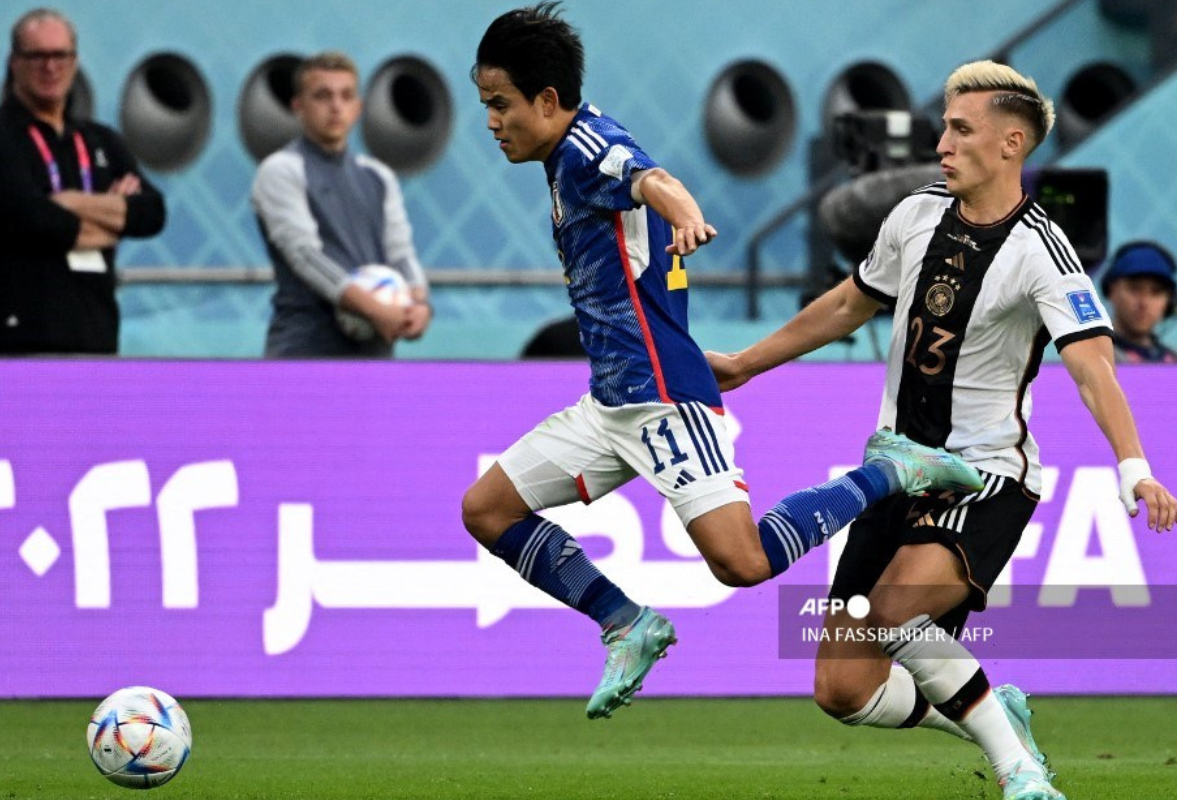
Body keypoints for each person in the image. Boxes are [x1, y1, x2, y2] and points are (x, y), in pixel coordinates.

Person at [461, 2, 984, 722]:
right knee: (486, 509)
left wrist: (683, 212)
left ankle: (895, 471)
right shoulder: (564, 153)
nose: (490, 120)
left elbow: (651, 179)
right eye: (485, 103)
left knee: (742, 563)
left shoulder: (588, 149)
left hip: (665, 402)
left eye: (499, 104)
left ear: (547, 101)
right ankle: (627, 623)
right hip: (611, 401)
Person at [708, 61, 1176, 800]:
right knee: (842, 688)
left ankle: (1021, 774)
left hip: (984, 475)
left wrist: (1132, 467)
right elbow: (846, 305)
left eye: (961, 131)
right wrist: (746, 363)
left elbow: (1093, 367)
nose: (944, 146)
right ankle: (993, 712)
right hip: (896, 467)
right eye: (944, 130)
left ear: (1011, 143)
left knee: (894, 614)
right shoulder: (915, 213)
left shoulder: (1046, 254)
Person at [0, 8, 165, 355]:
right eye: (37, 56)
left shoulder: (101, 139)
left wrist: (68, 202)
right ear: (14, 62)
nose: (50, 67)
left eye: (60, 55)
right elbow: (34, 218)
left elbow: (152, 213)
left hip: (96, 332)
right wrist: (114, 219)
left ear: (75, 61)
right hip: (20, 337)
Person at [251, 51, 431, 358]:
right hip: (304, 351)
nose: (336, 106)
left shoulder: (379, 176)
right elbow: (305, 256)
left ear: (358, 107)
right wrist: (374, 309)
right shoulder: (280, 170)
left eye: (346, 96)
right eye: (323, 96)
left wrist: (418, 305)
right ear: (299, 107)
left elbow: (401, 252)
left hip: (373, 354)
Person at [1098, 240, 1177, 363]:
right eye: (1134, 289)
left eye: (1156, 292)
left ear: (1169, 303)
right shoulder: (1093, 358)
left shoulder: (1171, 360)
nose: (1144, 303)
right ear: (1111, 291)